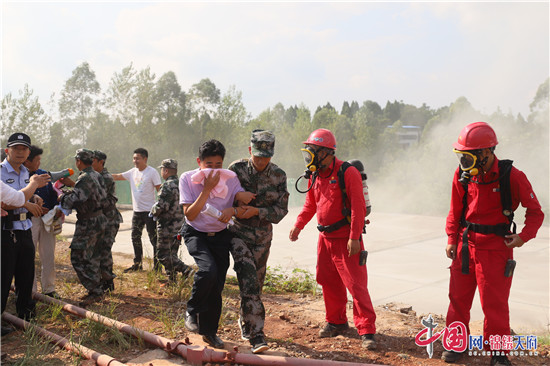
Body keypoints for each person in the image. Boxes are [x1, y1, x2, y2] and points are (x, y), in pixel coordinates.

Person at [442, 122, 544, 366]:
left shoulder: (512, 176)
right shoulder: (463, 175)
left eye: (468, 157)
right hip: (466, 246)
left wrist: (523, 237)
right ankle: (457, 344)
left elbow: (536, 212)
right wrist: (451, 239)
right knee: (457, 298)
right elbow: (455, 211)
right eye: (461, 157)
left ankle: (498, 353)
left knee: (495, 304)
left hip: (496, 249)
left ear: (486, 153)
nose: (463, 163)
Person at [289, 128, 377, 350]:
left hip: (346, 239)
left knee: (356, 285)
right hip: (325, 239)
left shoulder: (347, 172)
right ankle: (336, 322)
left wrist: (354, 237)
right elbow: (311, 204)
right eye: (308, 150)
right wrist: (298, 226)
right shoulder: (316, 174)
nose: (309, 155)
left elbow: (357, 207)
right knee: (328, 281)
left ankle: (367, 330)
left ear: (327, 153)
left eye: (313, 151)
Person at [179, 139, 254, 349]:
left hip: (221, 235)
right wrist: (206, 189)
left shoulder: (229, 178)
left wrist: (241, 197)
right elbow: (190, 214)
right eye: (209, 165)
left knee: (217, 284)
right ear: (199, 162)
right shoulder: (187, 179)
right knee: (207, 270)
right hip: (196, 232)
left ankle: (209, 332)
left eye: (218, 165)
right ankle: (192, 310)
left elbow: (238, 195)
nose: (213, 171)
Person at [228, 129, 289, 353]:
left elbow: (281, 211)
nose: (262, 160)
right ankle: (257, 335)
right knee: (249, 279)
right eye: (258, 156)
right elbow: (221, 195)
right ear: (249, 151)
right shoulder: (236, 170)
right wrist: (237, 204)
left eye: (267, 156)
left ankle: (246, 320)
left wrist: (257, 211)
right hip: (238, 233)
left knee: (255, 285)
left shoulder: (279, 176)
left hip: (263, 238)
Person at [1, 133, 49, 331]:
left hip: (24, 229)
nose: (20, 152)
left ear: (28, 152)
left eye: (24, 149)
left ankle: (26, 315)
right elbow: (4, 202)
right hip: (6, 230)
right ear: (7, 151)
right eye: (16, 149)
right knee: (3, 277)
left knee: (26, 275)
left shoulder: (24, 172)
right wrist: (27, 204)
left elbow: (24, 194)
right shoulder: (1, 172)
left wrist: (34, 198)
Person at [59, 149, 108, 307]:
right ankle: (97, 288)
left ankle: (95, 290)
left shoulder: (84, 177)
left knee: (78, 257)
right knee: (92, 256)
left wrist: (62, 196)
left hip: (88, 222)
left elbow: (75, 200)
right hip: (99, 219)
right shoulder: (96, 175)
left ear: (79, 161)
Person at [113, 148, 161, 272]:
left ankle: (157, 267)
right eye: (134, 158)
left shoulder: (152, 172)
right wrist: (101, 175)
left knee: (153, 239)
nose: (135, 161)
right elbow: (118, 176)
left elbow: (159, 190)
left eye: (137, 158)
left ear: (145, 159)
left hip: (150, 212)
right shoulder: (132, 172)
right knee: (135, 237)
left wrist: (161, 207)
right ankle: (137, 264)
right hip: (137, 211)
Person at [23, 145, 62, 299]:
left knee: (48, 255)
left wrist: (53, 207)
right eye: (37, 160)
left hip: (46, 221)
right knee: (28, 256)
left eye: (40, 160)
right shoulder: (21, 176)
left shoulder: (43, 175)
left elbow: (52, 194)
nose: (39, 163)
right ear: (27, 161)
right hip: (29, 220)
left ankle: (49, 289)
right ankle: (30, 291)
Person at [150, 159, 192, 282]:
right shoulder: (182, 183)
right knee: (172, 253)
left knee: (162, 255)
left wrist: (153, 211)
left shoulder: (167, 186)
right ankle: (172, 279)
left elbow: (162, 207)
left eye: (162, 169)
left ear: (166, 170)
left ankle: (185, 269)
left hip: (167, 226)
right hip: (180, 224)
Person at [92, 150, 123, 293]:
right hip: (102, 220)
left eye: (93, 161)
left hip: (109, 220)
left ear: (101, 163)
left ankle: (108, 282)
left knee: (104, 250)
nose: (90, 163)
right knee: (99, 250)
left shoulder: (105, 177)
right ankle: (103, 280)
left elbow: (94, 195)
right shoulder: (96, 176)